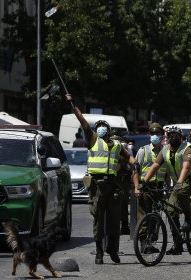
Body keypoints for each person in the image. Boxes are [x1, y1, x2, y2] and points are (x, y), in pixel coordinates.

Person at [65, 93, 134, 264]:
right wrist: (72, 104)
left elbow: (128, 158)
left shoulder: (117, 145)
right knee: (98, 218)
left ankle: (112, 250)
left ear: (109, 130)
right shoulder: (93, 139)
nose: (102, 128)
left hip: (113, 184)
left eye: (104, 126)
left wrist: (137, 164)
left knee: (114, 219)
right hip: (98, 184)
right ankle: (99, 252)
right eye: (99, 127)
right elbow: (82, 121)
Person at [142, 126, 191, 255]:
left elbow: (186, 167)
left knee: (182, 190)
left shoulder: (187, 148)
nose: (173, 138)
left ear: (181, 137)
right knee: (170, 211)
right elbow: (155, 166)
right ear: (167, 138)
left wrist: (178, 183)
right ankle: (177, 243)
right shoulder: (165, 150)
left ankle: (189, 218)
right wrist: (143, 182)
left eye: (176, 135)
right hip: (179, 184)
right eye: (171, 135)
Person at [134, 123, 167, 227]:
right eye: (152, 133)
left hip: (159, 187)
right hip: (145, 187)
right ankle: (143, 239)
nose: (155, 135)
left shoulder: (165, 151)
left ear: (161, 135)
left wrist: (169, 188)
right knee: (143, 214)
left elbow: (167, 173)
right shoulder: (143, 150)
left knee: (156, 214)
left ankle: (152, 237)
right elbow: (135, 171)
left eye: (157, 133)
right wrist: (136, 187)